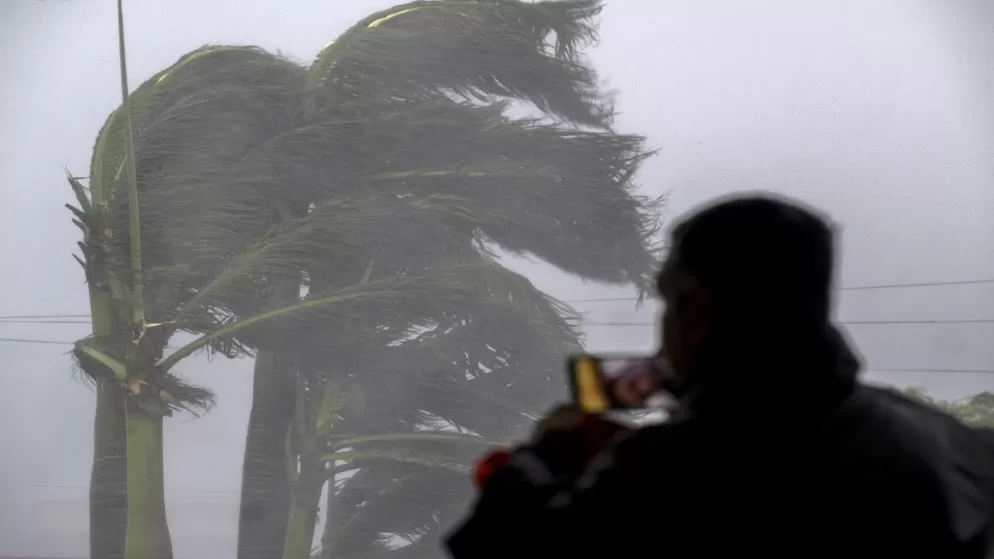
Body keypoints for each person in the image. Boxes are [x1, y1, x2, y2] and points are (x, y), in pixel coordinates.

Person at [445, 194, 994, 559]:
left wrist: (550, 450)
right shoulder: (933, 430)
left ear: (697, 309)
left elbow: (495, 543)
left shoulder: (673, 466)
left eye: (670, 301)